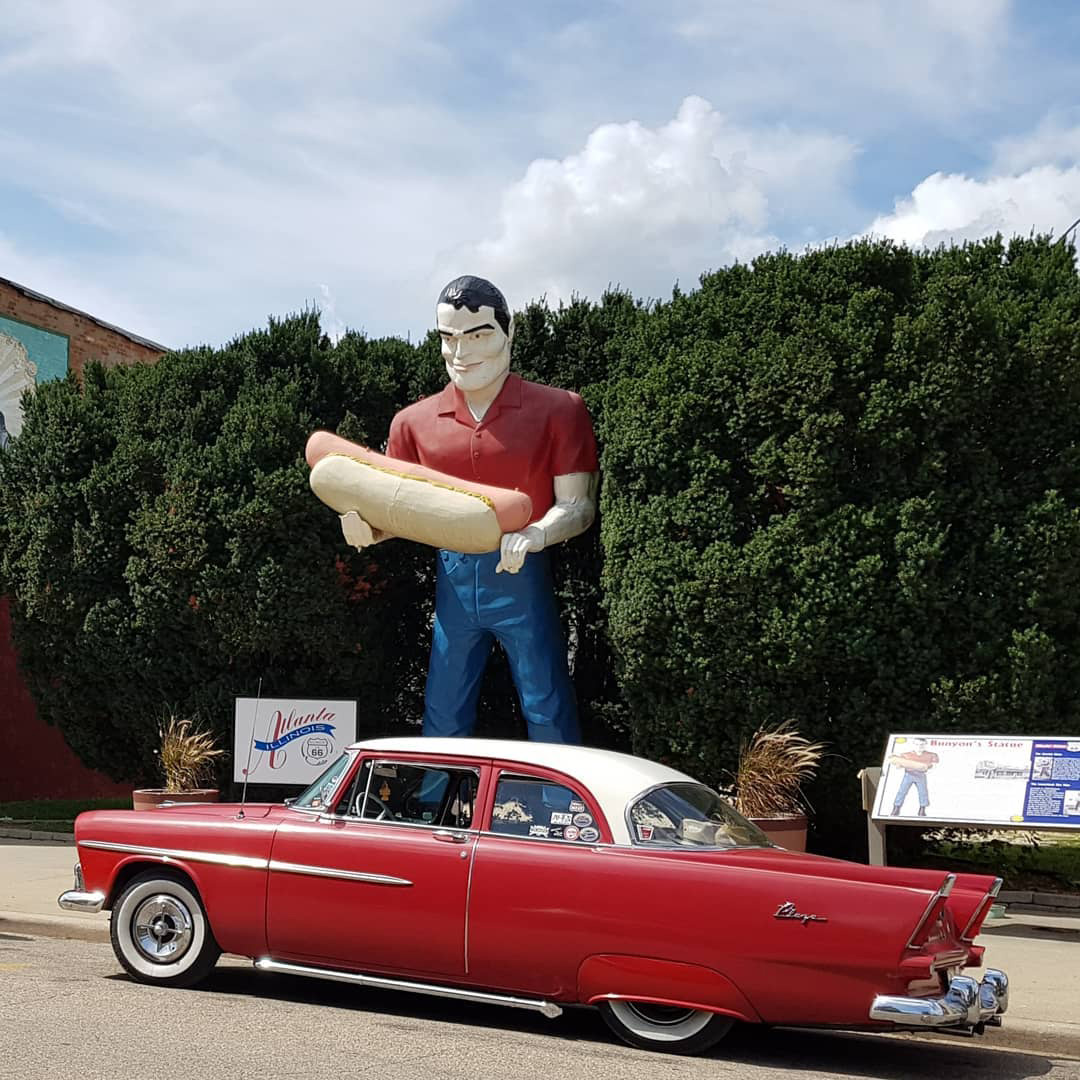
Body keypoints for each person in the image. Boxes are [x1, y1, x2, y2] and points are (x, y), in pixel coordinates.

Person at [340, 275, 598, 743]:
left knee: (546, 703)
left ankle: (565, 809)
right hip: (453, 584)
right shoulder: (413, 423)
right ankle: (435, 805)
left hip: (523, 575)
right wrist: (370, 531)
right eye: (449, 338)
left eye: (478, 334)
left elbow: (578, 507)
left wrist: (537, 535)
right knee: (442, 708)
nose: (462, 353)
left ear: (508, 331)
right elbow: (400, 511)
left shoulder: (558, 410)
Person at [889, 737, 939, 817]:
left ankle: (922, 809)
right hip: (909, 774)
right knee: (902, 791)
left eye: (922, 744)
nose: (919, 746)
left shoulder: (931, 755)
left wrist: (927, 768)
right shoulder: (906, 755)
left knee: (923, 792)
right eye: (917, 744)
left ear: (925, 745)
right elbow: (898, 765)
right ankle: (896, 808)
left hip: (921, 775)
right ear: (913, 745)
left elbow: (934, 766)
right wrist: (898, 762)